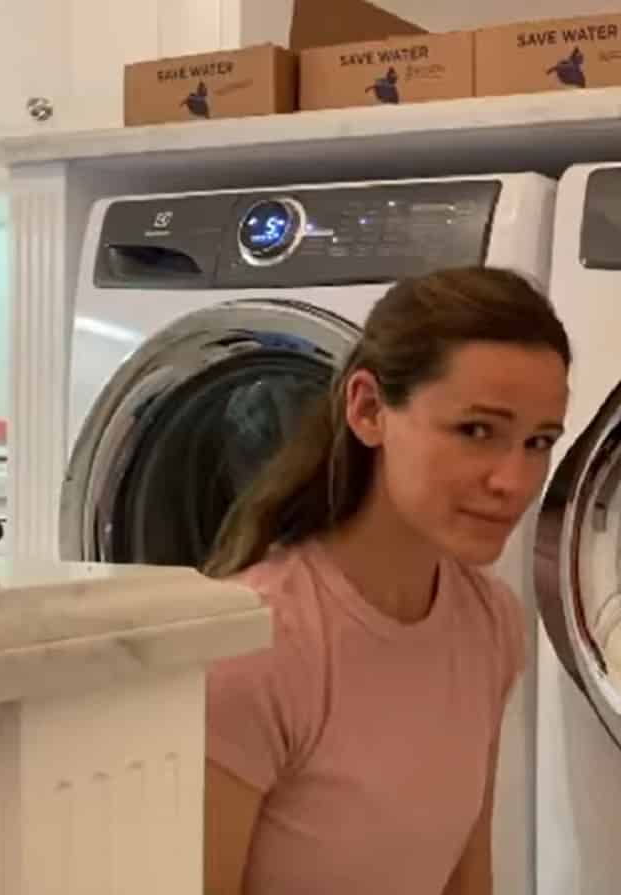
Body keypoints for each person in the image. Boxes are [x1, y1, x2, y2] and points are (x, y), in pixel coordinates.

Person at [200, 266, 571, 895]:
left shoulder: (489, 622)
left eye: (538, 442)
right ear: (369, 409)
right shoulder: (254, 646)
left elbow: (466, 878)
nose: (513, 481)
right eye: (477, 431)